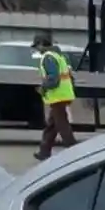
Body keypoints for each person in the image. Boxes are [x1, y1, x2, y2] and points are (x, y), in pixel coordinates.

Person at [33, 30, 77, 161]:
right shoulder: (58, 55)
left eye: (36, 46)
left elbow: (53, 78)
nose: (36, 49)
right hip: (62, 95)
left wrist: (43, 88)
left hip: (58, 96)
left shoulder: (48, 57)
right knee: (52, 126)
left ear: (41, 44)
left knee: (62, 125)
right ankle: (44, 151)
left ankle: (74, 150)